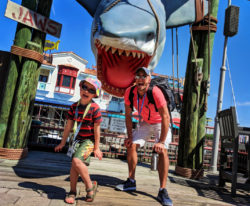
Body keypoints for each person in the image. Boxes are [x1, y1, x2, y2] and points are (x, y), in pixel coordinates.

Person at [115, 67, 173, 206]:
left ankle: (162, 190)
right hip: (145, 122)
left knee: (163, 151)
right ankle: (131, 181)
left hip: (160, 122)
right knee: (131, 145)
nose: (141, 79)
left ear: (149, 79)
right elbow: (128, 116)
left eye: (144, 76)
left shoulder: (155, 92)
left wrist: (162, 141)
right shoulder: (129, 92)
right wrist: (129, 136)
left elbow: (165, 117)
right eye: (138, 76)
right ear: (135, 79)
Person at [55, 77, 103, 204]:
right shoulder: (73, 107)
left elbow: (97, 130)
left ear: (95, 94)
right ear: (80, 88)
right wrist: (62, 142)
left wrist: (97, 147)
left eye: (91, 90)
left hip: (89, 141)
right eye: (85, 87)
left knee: (76, 161)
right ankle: (72, 191)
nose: (86, 91)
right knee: (74, 167)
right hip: (76, 140)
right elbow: (68, 126)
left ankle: (89, 187)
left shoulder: (95, 108)